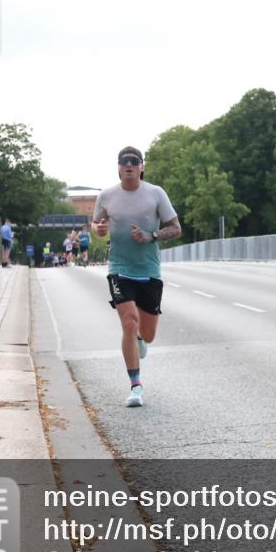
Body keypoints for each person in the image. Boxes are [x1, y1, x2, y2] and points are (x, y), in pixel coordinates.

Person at [93, 146, 181, 408]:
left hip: (149, 270)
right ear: (118, 167)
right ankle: (135, 385)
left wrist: (151, 236)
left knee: (148, 334)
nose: (129, 165)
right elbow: (96, 225)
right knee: (129, 323)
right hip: (119, 268)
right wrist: (98, 228)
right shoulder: (106, 196)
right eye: (124, 162)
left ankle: (142, 340)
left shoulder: (155, 194)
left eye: (134, 161)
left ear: (142, 167)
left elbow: (176, 228)